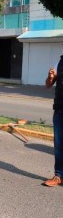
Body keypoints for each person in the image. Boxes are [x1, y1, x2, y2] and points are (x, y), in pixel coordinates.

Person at [43, 55, 63, 187]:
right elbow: (48, 85)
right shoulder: (61, 62)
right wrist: (50, 78)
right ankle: (59, 175)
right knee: (59, 145)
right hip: (60, 109)